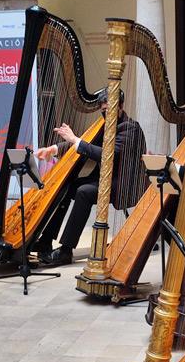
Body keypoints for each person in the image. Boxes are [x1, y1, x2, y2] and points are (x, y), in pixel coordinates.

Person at [34, 89, 146, 267]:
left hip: (123, 184)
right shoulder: (105, 126)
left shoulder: (130, 128)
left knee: (83, 192)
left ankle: (66, 250)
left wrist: (74, 139)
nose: (105, 114)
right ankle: (46, 239)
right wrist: (54, 148)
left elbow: (108, 155)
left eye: (109, 110)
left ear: (121, 107)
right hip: (105, 179)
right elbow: (87, 142)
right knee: (67, 185)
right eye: (103, 111)